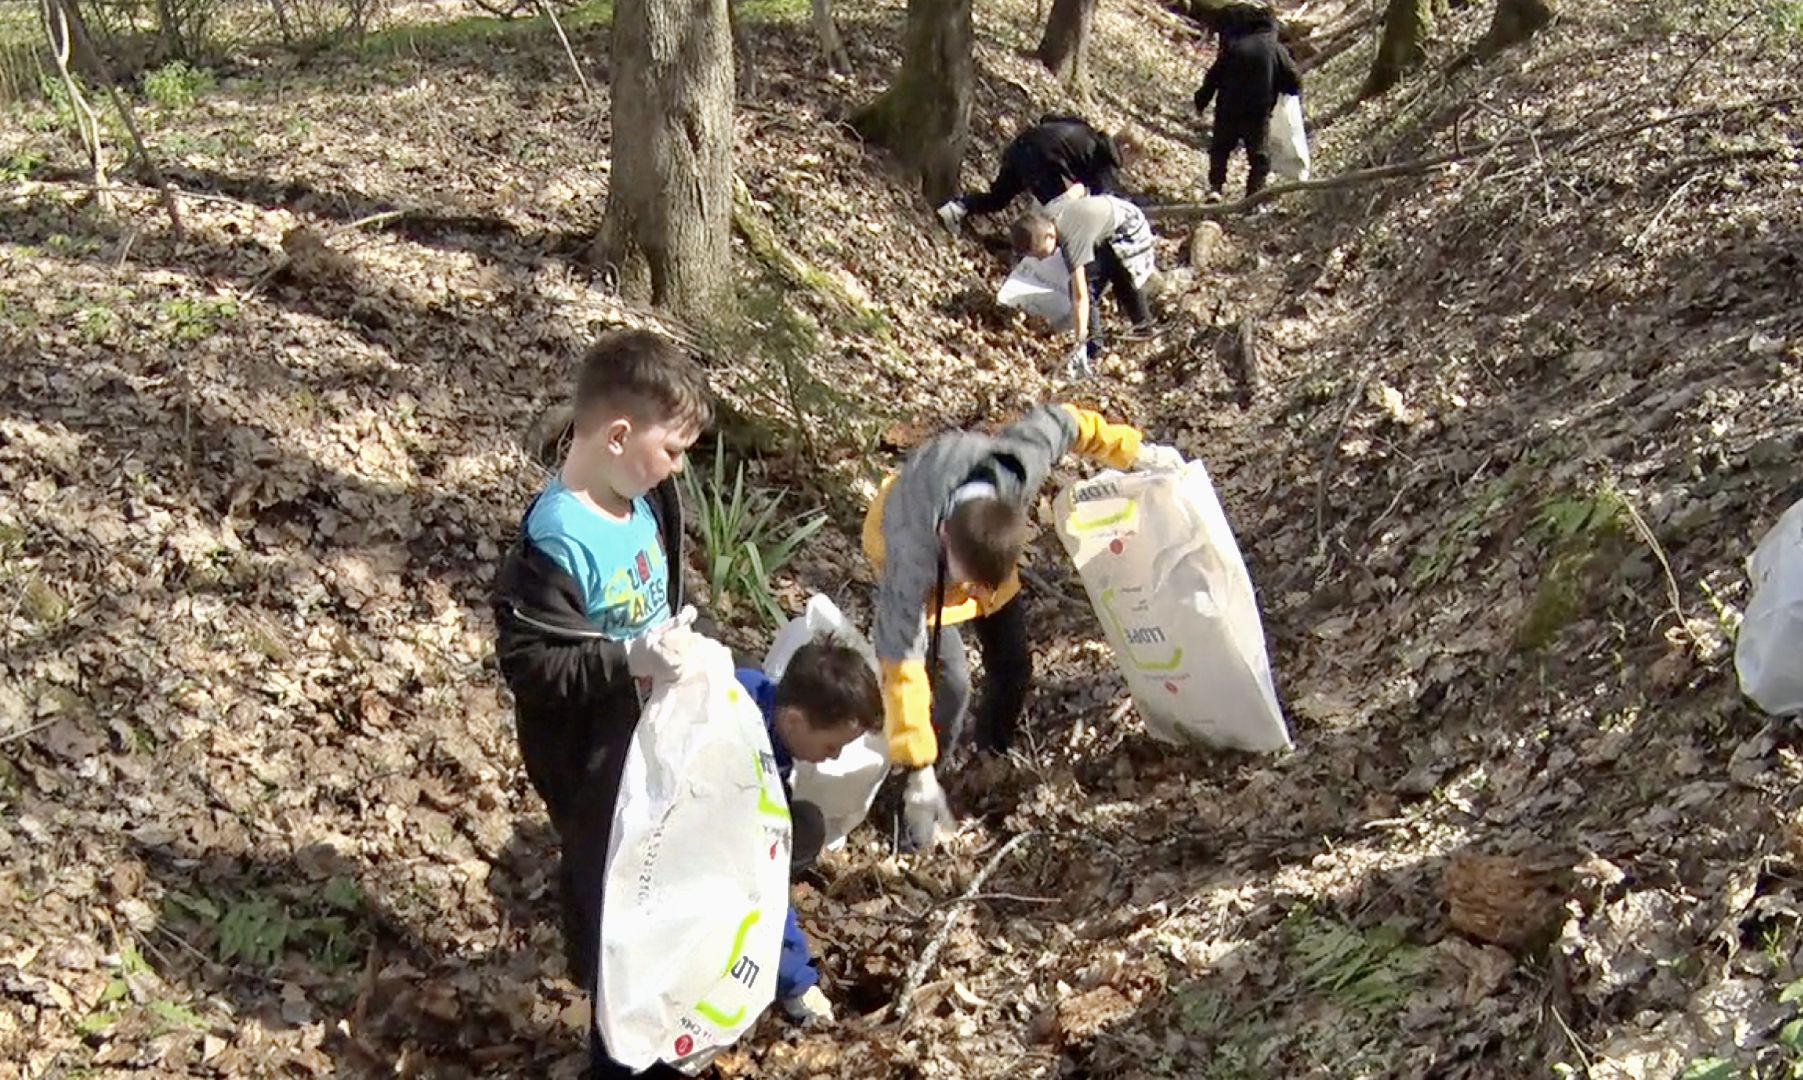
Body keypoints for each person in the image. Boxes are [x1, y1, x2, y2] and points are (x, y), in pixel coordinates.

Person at [490, 328, 713, 1080]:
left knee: (656, 899)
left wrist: (674, 641)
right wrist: (629, 660)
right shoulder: (556, 540)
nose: (678, 467)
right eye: (671, 450)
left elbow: (659, 590)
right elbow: (531, 665)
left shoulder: (645, 501)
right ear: (619, 436)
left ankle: (656, 1035)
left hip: (649, 742)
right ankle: (615, 1060)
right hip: (592, 764)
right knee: (612, 915)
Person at [861, 405, 1185, 848]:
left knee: (1013, 666)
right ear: (945, 536)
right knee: (950, 686)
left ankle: (990, 757)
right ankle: (915, 797)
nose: (975, 594)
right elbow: (900, 663)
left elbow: (1066, 421)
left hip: (980, 555)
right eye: (969, 583)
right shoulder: (910, 556)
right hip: (931, 574)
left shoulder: (1014, 466)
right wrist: (916, 765)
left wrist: (1137, 453)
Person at [732, 639, 884, 1026]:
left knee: (807, 824)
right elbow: (761, 880)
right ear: (795, 721)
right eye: (832, 745)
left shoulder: (753, 693)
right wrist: (797, 981)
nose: (835, 757)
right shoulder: (740, 754)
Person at [1012, 193, 1159, 378]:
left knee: (1117, 280)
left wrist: (1079, 341)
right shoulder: (1048, 213)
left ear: (1050, 235)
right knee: (1100, 277)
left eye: (1040, 253)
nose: (1040, 259)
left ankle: (1097, 345)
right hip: (1109, 223)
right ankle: (1118, 335)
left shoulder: (1072, 240)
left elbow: (1080, 296)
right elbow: (1077, 189)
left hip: (1130, 230)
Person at [937, 115, 1143, 228]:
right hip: (1041, 164)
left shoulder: (1083, 127)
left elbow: (1048, 117)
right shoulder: (1104, 160)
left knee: (999, 198)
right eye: (1133, 160)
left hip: (1021, 146)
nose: (1129, 166)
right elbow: (1102, 201)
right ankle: (1029, 254)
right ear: (1125, 148)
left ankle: (955, 209)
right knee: (1056, 213)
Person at [1192, 3, 1301, 200]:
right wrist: (1286, 92)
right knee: (1259, 156)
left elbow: (1214, 75)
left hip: (1228, 106)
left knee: (1221, 148)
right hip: (1258, 110)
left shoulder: (1235, 46)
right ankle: (1253, 197)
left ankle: (1216, 187)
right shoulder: (1276, 49)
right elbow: (1293, 80)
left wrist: (1202, 99)